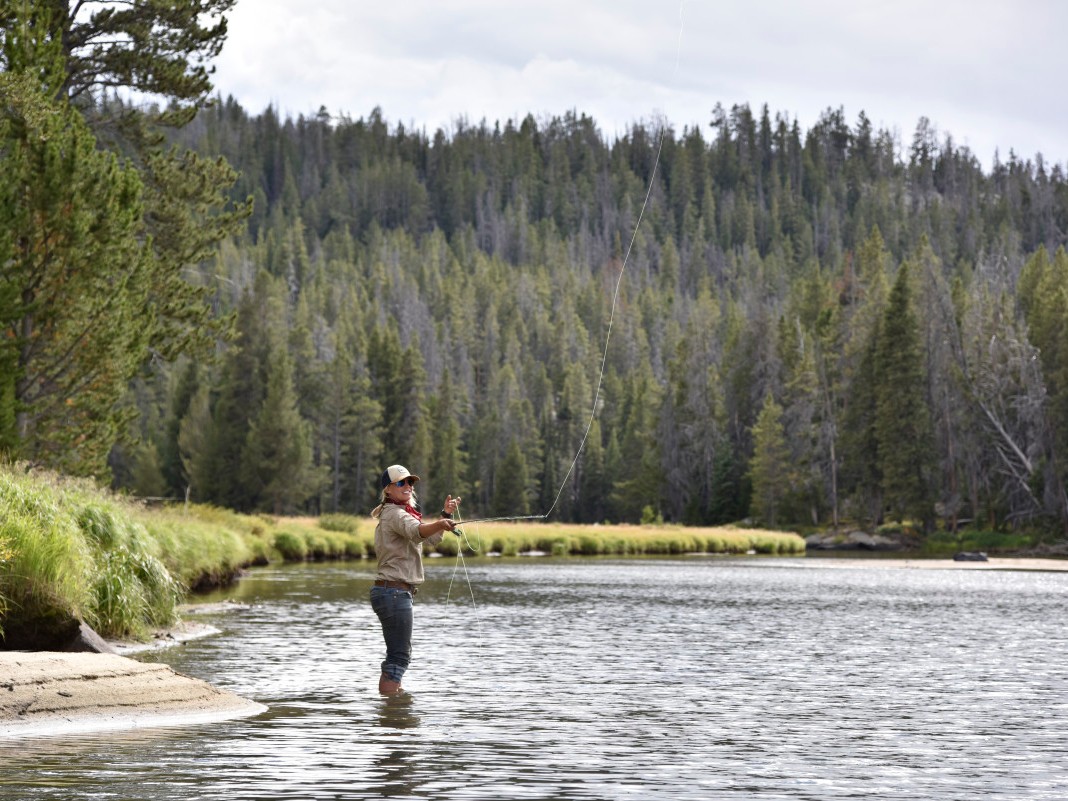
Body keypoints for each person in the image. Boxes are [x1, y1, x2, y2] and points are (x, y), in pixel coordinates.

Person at [370, 464, 460, 695]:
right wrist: (440, 524)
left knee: (398, 656)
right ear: (388, 490)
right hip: (394, 593)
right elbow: (417, 531)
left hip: (394, 592)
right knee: (398, 657)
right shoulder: (395, 514)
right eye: (401, 482)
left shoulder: (401, 514)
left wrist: (445, 516)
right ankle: (391, 717)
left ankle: (392, 707)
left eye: (410, 482)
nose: (408, 486)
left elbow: (428, 540)